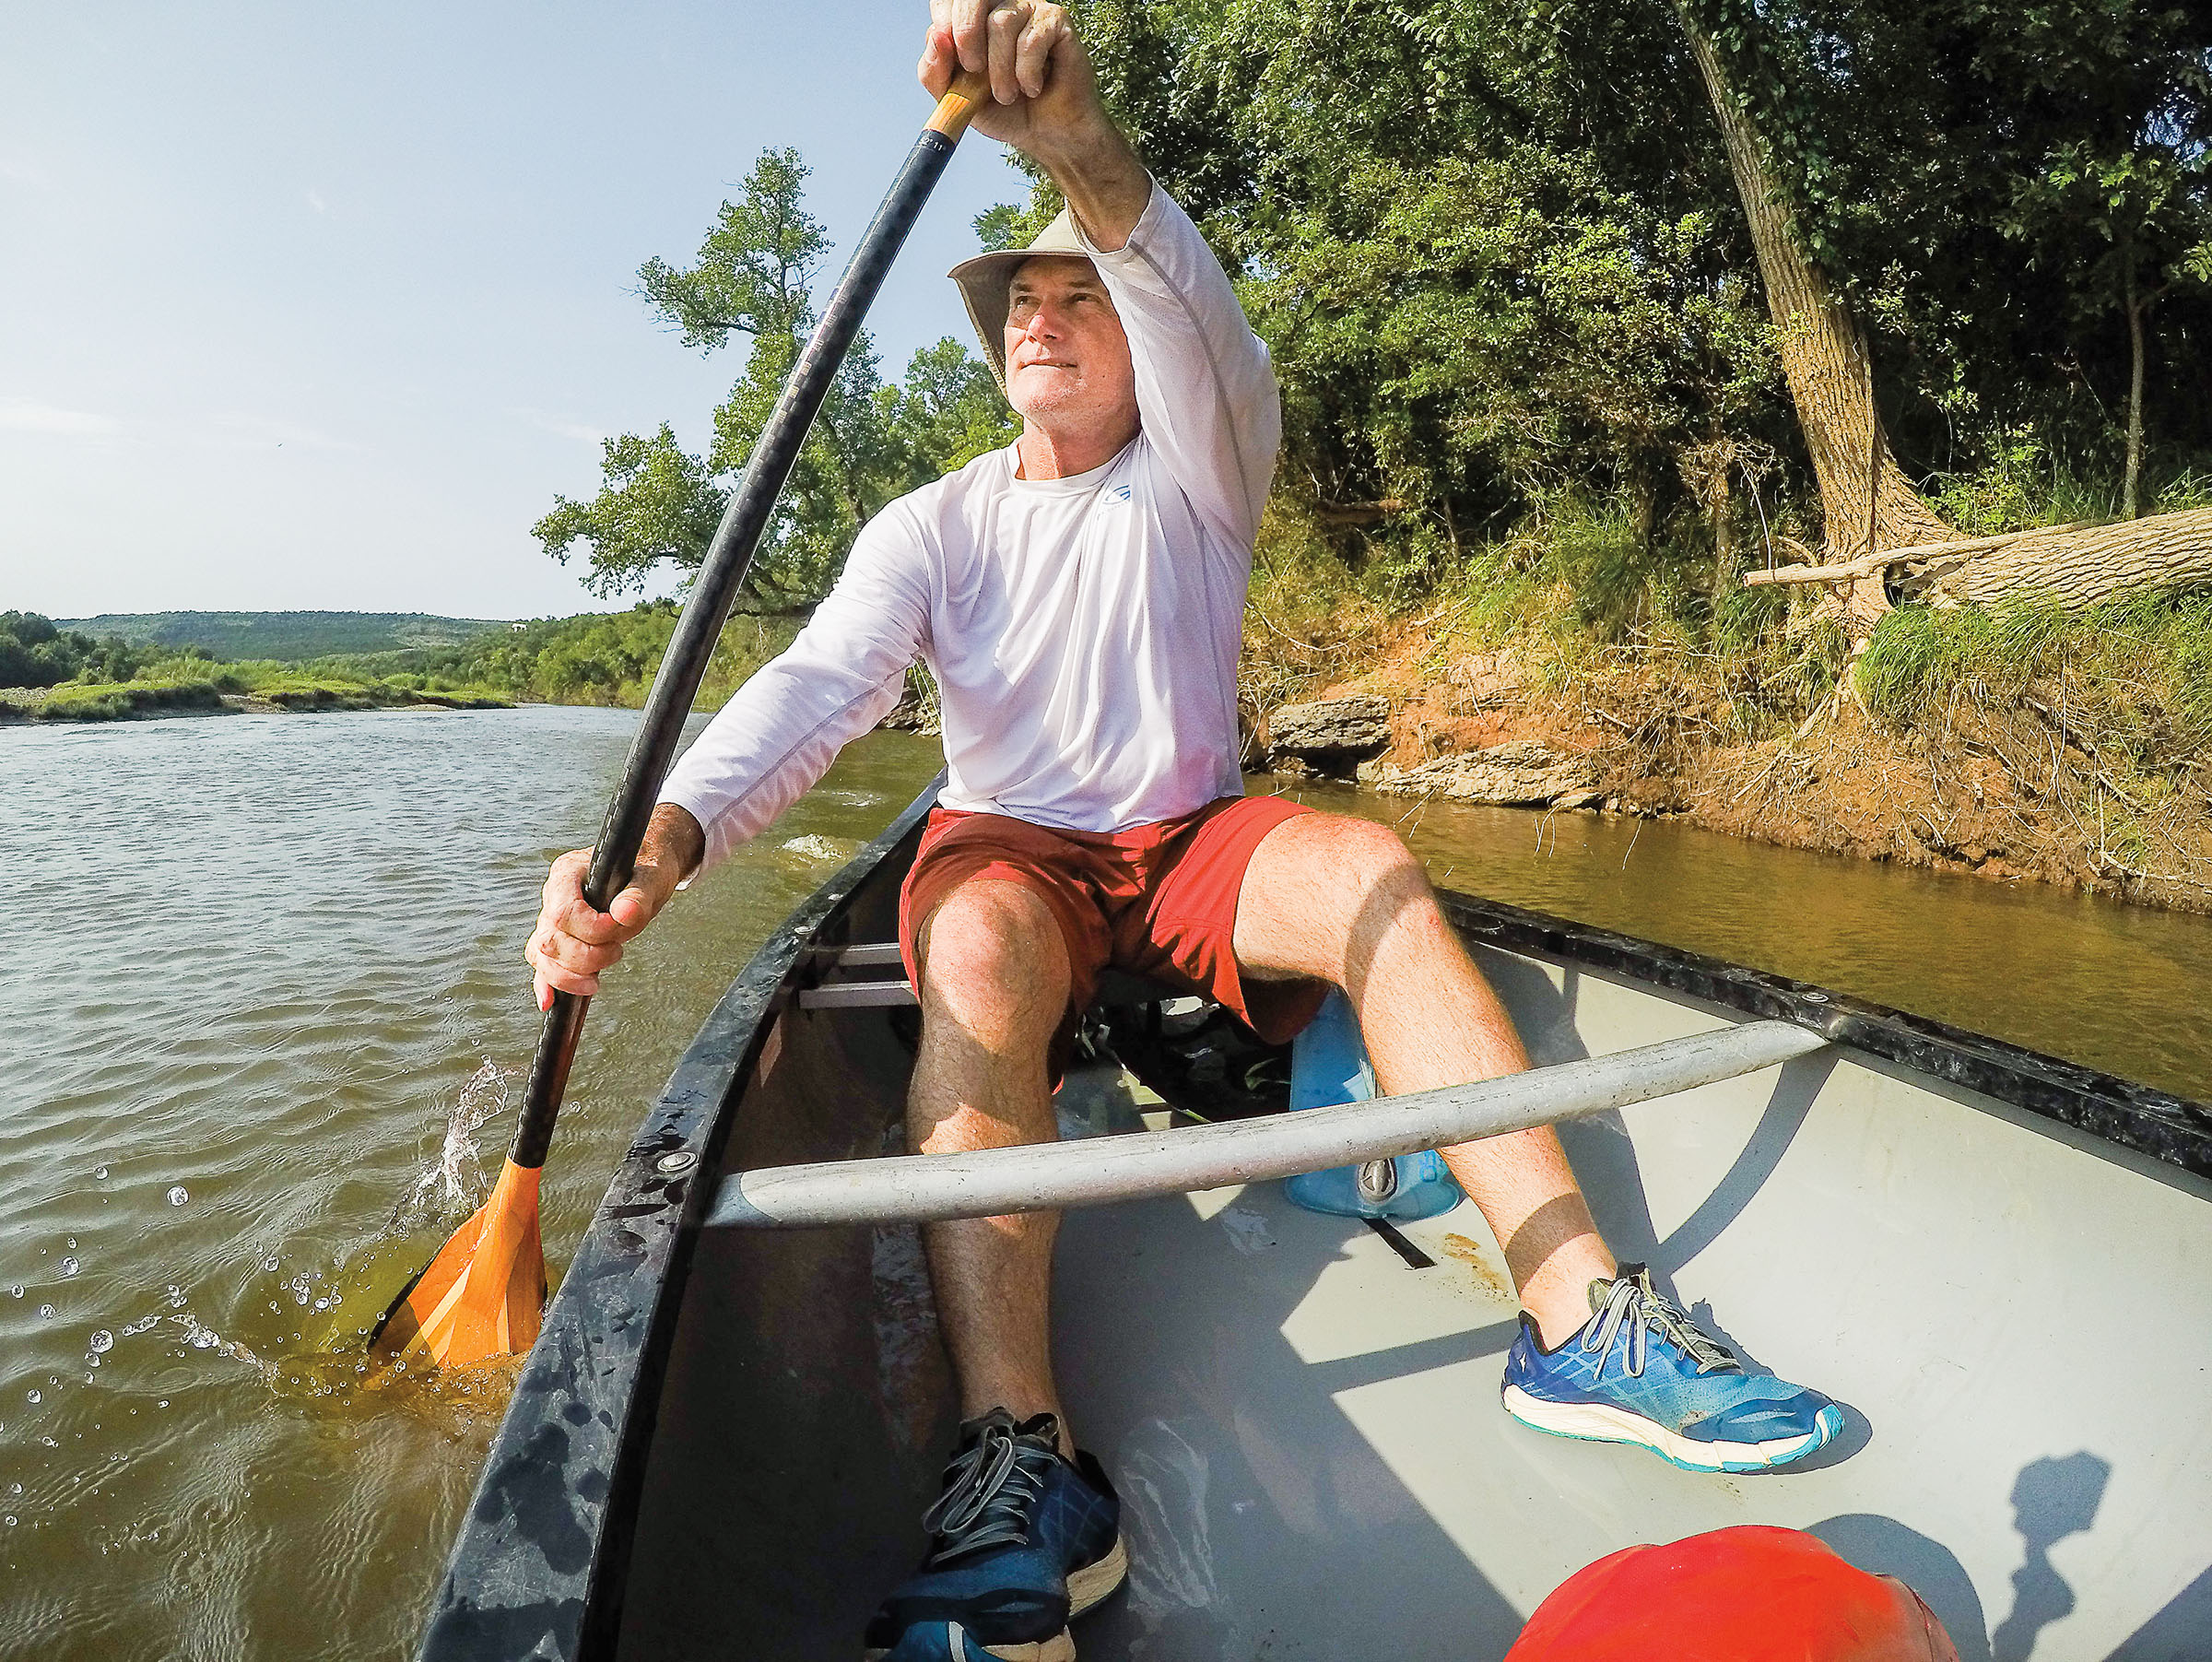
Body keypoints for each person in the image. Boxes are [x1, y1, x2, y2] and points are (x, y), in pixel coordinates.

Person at [525, 5, 1842, 1656]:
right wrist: (667, 838)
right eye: (1023, 302)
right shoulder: (933, 522)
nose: (1046, 315)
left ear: (1138, 344)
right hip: (1009, 846)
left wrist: (1080, 151)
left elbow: (1188, 295)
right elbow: (817, 686)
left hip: (1188, 836)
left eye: (1081, 293)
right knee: (983, 945)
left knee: (1366, 866)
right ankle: (1024, 1457)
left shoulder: (1203, 464)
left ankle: (1580, 1320)